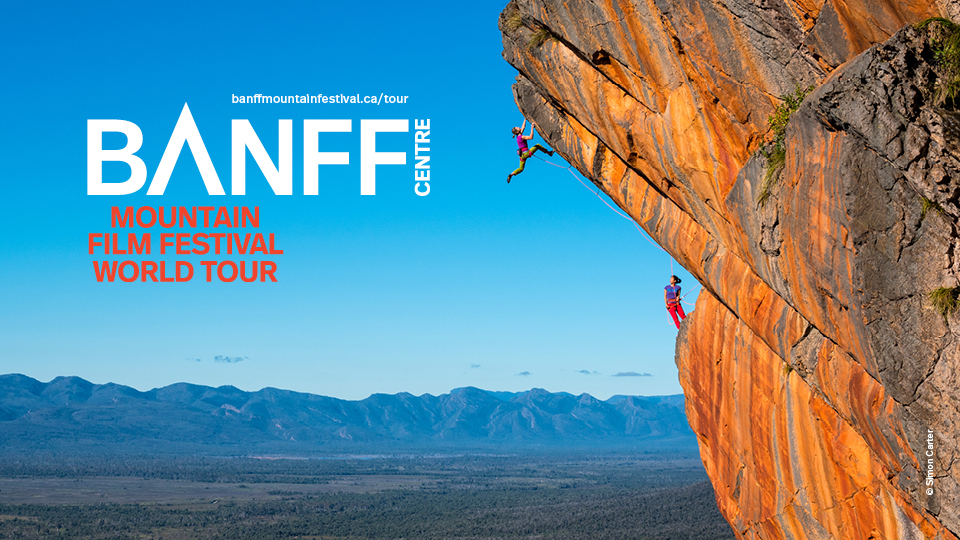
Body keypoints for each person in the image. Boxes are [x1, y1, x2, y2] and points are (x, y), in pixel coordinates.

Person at [507, 118, 553, 183]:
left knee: (521, 168)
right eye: (517, 127)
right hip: (526, 153)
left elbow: (523, 127)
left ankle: (511, 174)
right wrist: (532, 128)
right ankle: (549, 153)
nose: (518, 127)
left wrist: (525, 119)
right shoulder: (521, 137)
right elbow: (531, 137)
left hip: (521, 156)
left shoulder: (518, 137)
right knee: (537, 145)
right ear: (517, 132)